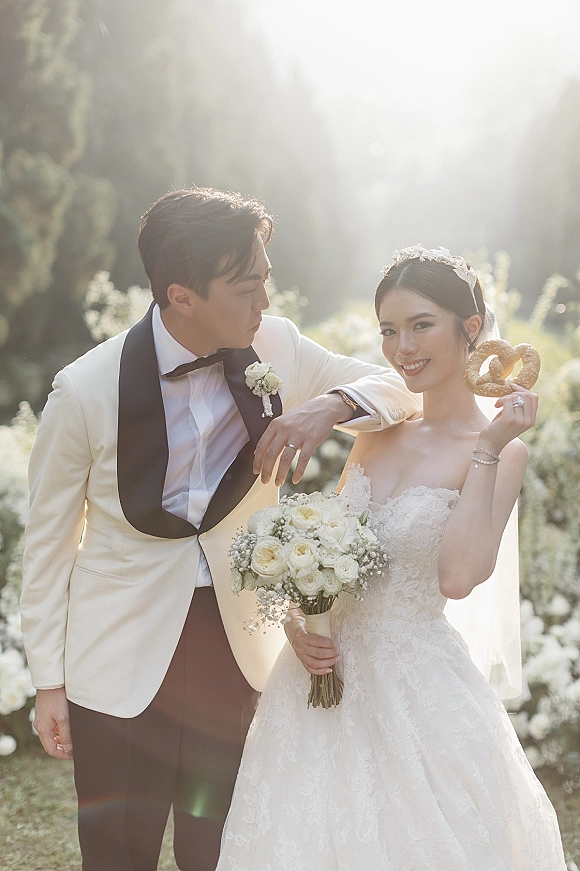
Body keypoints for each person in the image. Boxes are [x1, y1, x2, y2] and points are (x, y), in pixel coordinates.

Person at [20, 187, 421, 871]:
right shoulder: (84, 391)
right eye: (246, 287)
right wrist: (49, 683)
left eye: (265, 278)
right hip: (117, 658)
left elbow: (403, 389)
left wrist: (327, 405)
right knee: (117, 855)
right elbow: (48, 545)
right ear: (182, 296)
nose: (264, 300)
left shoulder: (279, 346)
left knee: (226, 852)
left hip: (238, 650)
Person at [217, 245, 567, 870]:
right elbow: (325, 552)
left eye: (421, 325)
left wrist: (488, 445)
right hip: (320, 682)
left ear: (470, 328)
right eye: (388, 330)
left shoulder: (498, 450)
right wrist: (300, 625)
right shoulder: (376, 434)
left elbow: (459, 578)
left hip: (416, 686)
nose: (402, 347)